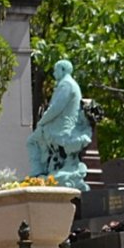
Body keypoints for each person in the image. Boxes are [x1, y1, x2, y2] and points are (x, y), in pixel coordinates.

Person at [26, 59, 93, 191]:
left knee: (32, 141)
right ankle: (44, 171)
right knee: (36, 140)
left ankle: (38, 172)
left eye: (56, 70)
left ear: (63, 70)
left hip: (61, 128)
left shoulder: (66, 85)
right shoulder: (68, 84)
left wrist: (42, 121)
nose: (54, 73)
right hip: (60, 125)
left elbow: (56, 108)